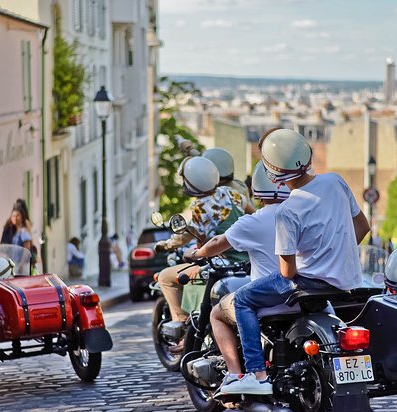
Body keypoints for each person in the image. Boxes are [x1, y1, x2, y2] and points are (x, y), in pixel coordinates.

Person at [219, 129, 370, 395]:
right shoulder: (336, 182)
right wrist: (334, 255)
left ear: (273, 176)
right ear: (308, 155)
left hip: (307, 280)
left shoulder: (288, 211)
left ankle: (257, 375)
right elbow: (362, 226)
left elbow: (287, 272)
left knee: (242, 299)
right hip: (345, 279)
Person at [183, 160, 290, 392]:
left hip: (273, 294)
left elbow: (216, 242)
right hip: (304, 291)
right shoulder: (302, 213)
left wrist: (196, 254)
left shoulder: (255, 222)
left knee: (219, 313)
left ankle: (241, 374)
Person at [154, 156, 251, 351]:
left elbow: (191, 237)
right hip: (247, 260)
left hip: (222, 262)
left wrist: (169, 244)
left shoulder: (199, 208)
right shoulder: (232, 193)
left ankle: (183, 327)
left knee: (165, 276)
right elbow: (250, 213)